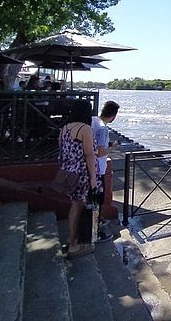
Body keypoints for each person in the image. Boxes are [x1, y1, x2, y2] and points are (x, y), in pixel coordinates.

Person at [59, 99, 98, 258]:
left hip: (68, 171)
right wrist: (93, 178)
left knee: (74, 205)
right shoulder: (85, 129)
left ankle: (71, 239)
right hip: (82, 173)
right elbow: (89, 155)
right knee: (79, 206)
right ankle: (75, 244)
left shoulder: (64, 129)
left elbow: (62, 152)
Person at [91, 100, 120, 242]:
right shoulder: (103, 129)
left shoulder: (93, 121)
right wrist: (113, 147)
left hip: (88, 167)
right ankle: (94, 232)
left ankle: (94, 225)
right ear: (113, 116)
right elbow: (100, 152)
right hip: (98, 170)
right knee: (97, 200)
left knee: (91, 200)